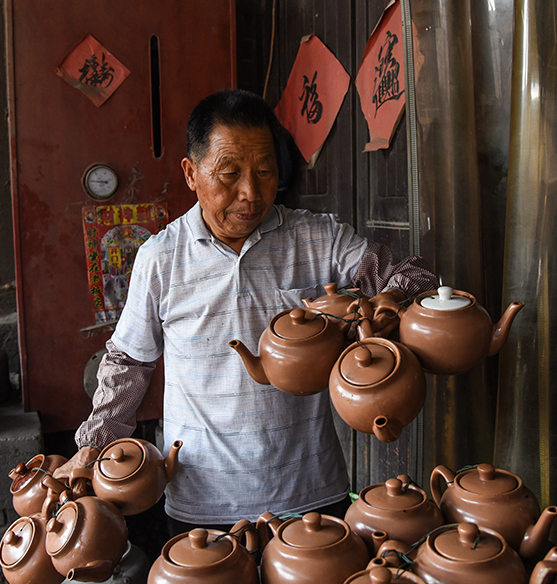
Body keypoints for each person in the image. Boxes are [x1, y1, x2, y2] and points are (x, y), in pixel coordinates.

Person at [54, 89, 437, 535]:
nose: (251, 193)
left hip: (310, 493)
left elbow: (412, 274)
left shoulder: (318, 239)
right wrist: (94, 443)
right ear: (191, 173)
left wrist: (391, 300)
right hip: (202, 501)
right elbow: (129, 363)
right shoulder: (161, 257)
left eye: (265, 172)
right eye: (230, 173)